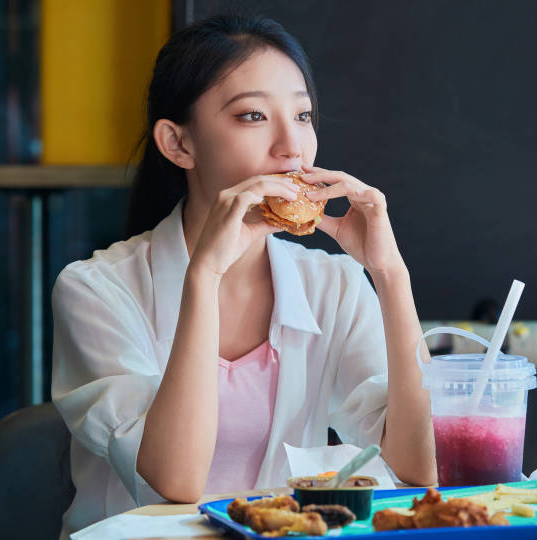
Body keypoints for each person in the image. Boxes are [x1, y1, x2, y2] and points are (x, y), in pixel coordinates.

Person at [51, 13, 435, 538]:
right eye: (253, 116)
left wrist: (390, 275)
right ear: (178, 144)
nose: (291, 147)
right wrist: (204, 276)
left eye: (302, 116)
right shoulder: (95, 290)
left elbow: (420, 471)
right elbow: (176, 483)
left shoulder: (336, 285)